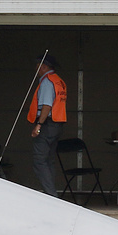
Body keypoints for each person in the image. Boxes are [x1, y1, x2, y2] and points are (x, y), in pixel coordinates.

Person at [28, 53, 67, 195]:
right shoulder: (59, 81)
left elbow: (46, 105)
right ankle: (52, 194)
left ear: (44, 66)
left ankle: (51, 196)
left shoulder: (46, 82)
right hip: (57, 125)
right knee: (49, 160)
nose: (36, 68)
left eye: (37, 65)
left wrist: (38, 125)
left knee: (39, 160)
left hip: (47, 125)